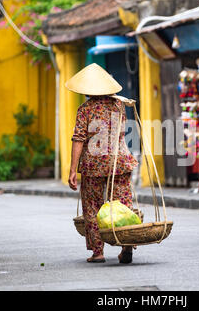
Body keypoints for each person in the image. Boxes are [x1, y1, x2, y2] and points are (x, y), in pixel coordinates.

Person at [66, 63, 138, 263]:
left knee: (92, 206)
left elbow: (79, 139)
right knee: (123, 205)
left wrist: (73, 170)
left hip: (93, 164)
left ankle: (98, 252)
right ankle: (126, 245)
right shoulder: (119, 105)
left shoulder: (85, 109)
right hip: (119, 161)